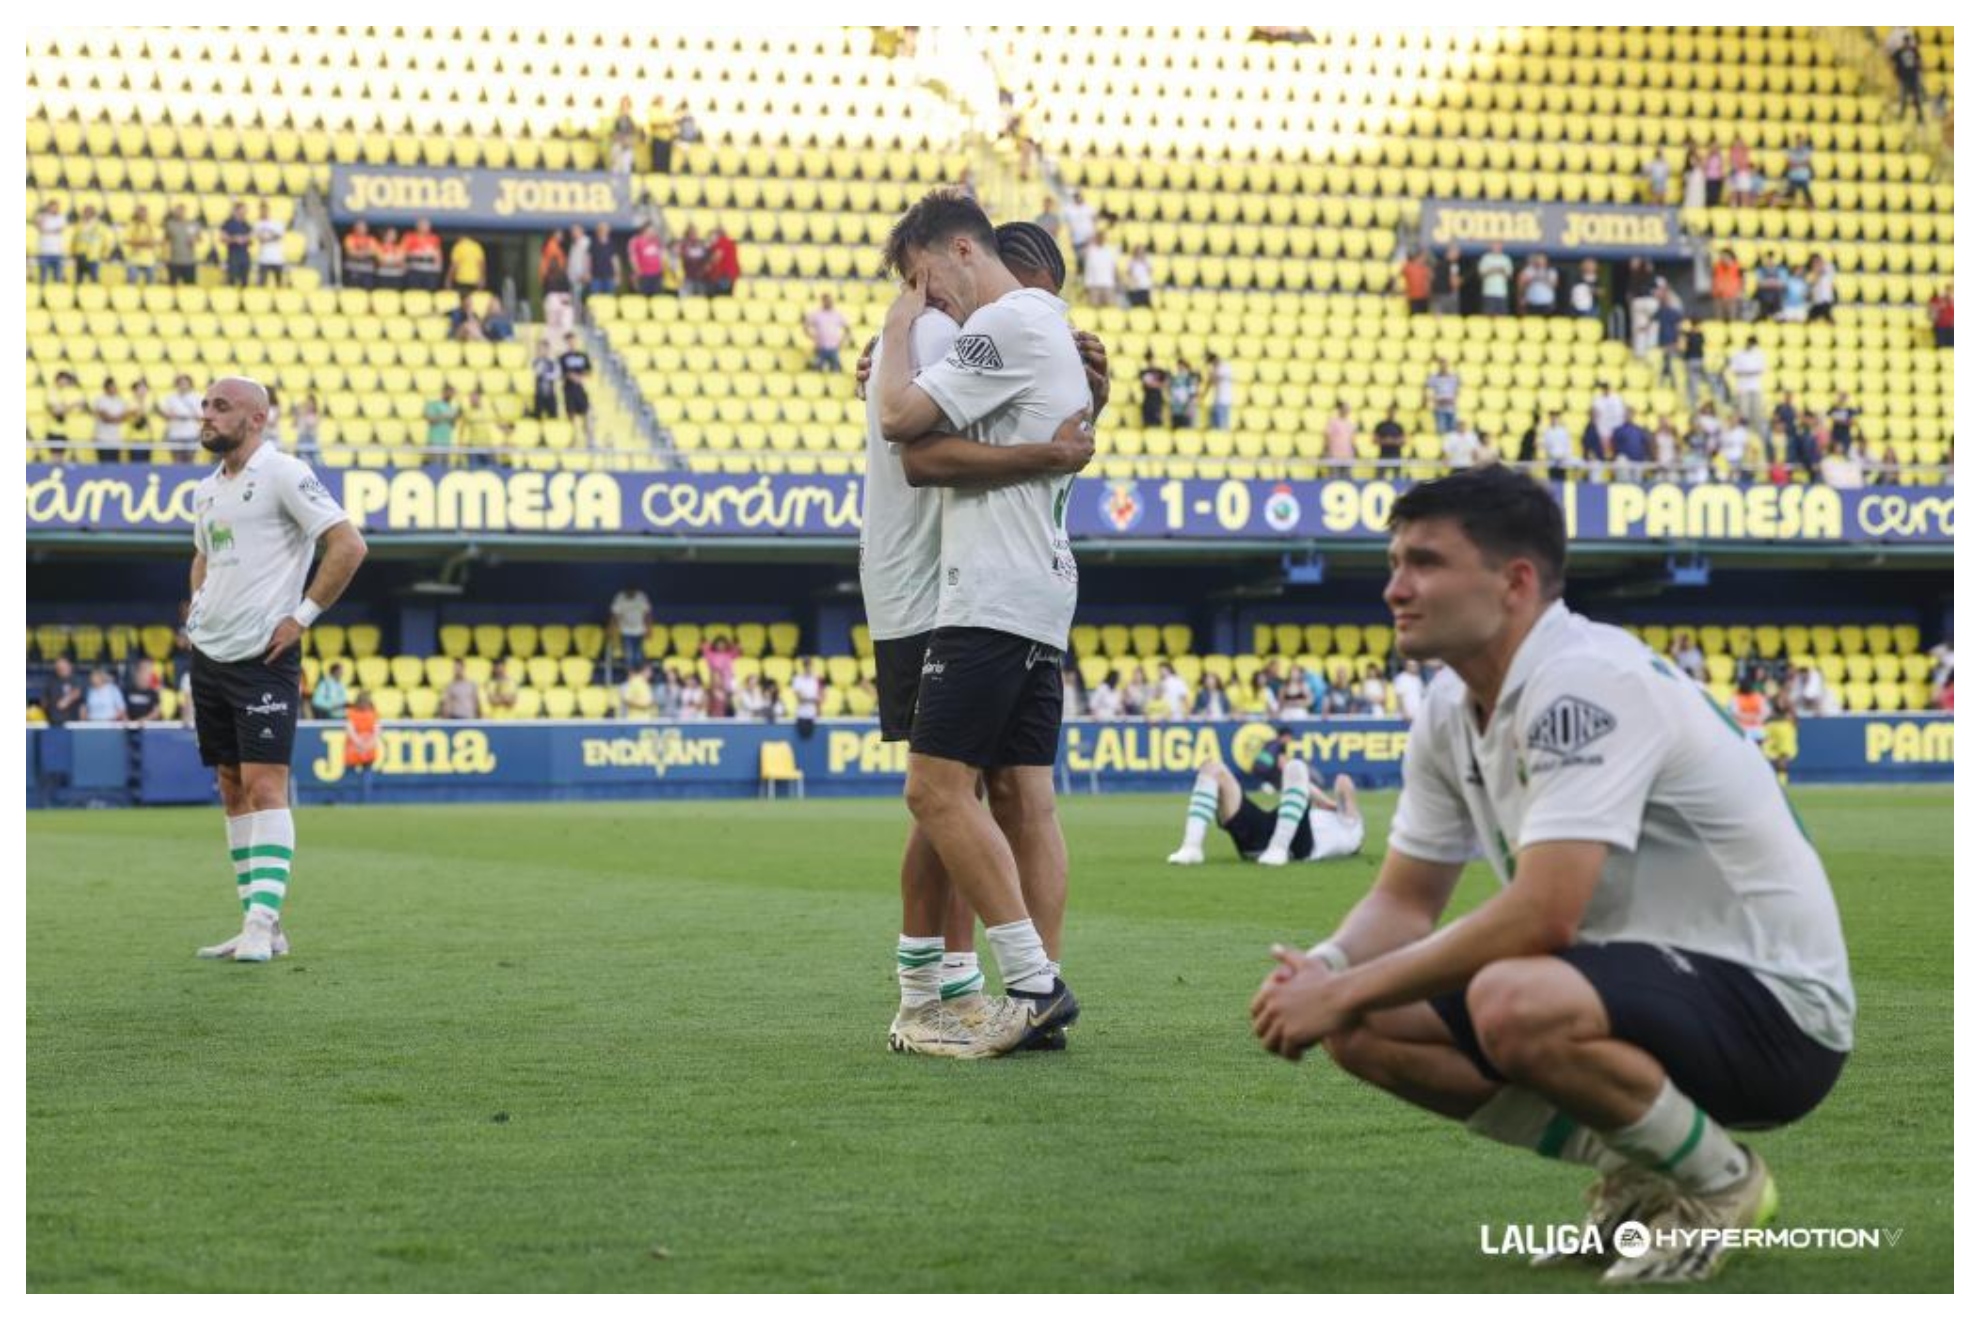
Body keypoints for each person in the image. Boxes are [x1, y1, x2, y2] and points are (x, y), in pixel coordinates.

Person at [1248, 465, 1853, 1284]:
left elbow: (1545, 916)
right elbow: (1402, 900)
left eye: (1424, 562)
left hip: (1779, 1011)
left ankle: (1721, 1184)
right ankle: (1647, 1175)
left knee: (1508, 996)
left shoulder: (1583, 681)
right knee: (1362, 1028)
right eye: (1394, 563)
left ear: (1515, 582)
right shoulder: (1446, 707)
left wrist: (1347, 985)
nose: (1396, 588)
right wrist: (1322, 973)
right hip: (1639, 984)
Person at [873, 193, 1098, 1057]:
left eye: (925, 280)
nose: (932, 301)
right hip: (1041, 591)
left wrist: (897, 337)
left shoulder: (1001, 325)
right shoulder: (1054, 335)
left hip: (988, 594)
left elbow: (907, 434)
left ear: (962, 250)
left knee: (934, 791)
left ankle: (1032, 988)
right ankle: (1020, 990)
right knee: (1019, 796)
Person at [186, 376, 368, 963]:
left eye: (221, 407)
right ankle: (259, 923)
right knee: (232, 788)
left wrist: (303, 616)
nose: (207, 415)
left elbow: (348, 544)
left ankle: (262, 927)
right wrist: (198, 612)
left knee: (267, 786)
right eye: (206, 406)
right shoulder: (208, 490)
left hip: (264, 657)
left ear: (257, 418)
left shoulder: (285, 473)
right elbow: (203, 557)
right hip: (209, 655)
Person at [1166, 753, 1364, 867]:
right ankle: (1191, 847)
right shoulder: (1331, 816)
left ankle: (1278, 849)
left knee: (1296, 766)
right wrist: (1327, 802)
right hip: (1270, 832)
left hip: (1297, 845)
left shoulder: (1352, 828)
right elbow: (1304, 786)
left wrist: (1329, 801)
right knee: (1212, 768)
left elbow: (1343, 782)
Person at [608, 584, 652, 673]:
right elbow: (614, 615)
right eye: (628, 593)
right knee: (629, 655)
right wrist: (611, 629)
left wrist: (649, 629)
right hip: (626, 631)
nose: (630, 594)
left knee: (638, 656)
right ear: (625, 592)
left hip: (639, 631)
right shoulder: (619, 597)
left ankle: (639, 677)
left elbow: (647, 614)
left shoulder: (642, 597)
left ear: (636, 592)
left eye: (632, 593)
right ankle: (631, 676)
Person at [343, 692, 380, 798]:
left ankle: (358, 797)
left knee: (362, 773)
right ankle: (358, 797)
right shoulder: (371, 714)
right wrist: (366, 744)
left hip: (357, 747)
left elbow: (350, 730)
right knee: (360, 773)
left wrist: (361, 744)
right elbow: (376, 732)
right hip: (361, 748)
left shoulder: (353, 713)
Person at [558, 335, 594, 444]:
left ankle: (590, 439)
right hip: (569, 389)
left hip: (581, 389)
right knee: (571, 414)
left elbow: (589, 370)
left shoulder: (583, 356)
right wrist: (574, 377)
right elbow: (564, 372)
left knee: (586, 413)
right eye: (569, 341)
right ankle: (573, 438)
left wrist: (581, 377)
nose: (571, 343)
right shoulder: (563, 357)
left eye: (573, 341)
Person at [804, 293, 852, 372]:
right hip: (820, 348)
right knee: (817, 370)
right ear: (823, 301)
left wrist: (842, 341)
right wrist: (813, 337)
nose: (829, 302)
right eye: (826, 300)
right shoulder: (816, 314)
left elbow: (848, 329)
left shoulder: (837, 314)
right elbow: (806, 326)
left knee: (835, 371)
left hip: (834, 348)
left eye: (830, 300)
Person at [253, 203, 289, 287]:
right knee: (262, 283)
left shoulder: (277, 223)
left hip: (277, 258)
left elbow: (278, 236)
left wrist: (268, 238)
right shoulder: (257, 224)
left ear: (268, 211)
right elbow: (261, 239)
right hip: (264, 258)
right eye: (261, 211)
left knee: (279, 283)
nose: (263, 212)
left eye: (265, 210)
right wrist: (271, 236)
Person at [219, 203, 254, 288]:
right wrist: (235, 239)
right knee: (232, 280)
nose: (245, 212)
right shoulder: (228, 223)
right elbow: (222, 238)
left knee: (244, 281)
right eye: (243, 210)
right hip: (233, 255)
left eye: (245, 210)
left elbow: (251, 239)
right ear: (237, 210)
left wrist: (245, 239)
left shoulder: (246, 224)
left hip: (245, 255)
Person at [789, 657, 823, 739]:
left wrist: (817, 707)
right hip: (801, 715)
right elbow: (800, 699)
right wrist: (813, 699)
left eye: (809, 665)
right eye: (806, 665)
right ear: (803, 666)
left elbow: (819, 698)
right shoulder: (797, 679)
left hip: (813, 716)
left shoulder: (816, 680)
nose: (808, 667)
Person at [1476, 242, 1514, 315]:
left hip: (1502, 293)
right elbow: (1480, 274)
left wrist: (1501, 271)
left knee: (1502, 317)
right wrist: (1493, 270)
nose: (1496, 248)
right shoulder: (1486, 258)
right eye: (1494, 245)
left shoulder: (1505, 259)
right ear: (1491, 247)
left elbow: (1510, 276)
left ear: (1501, 247)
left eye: (1498, 246)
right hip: (1488, 293)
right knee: (1488, 316)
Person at [124, 657, 164, 723]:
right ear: (137, 672)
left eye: (149, 672)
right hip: (129, 729)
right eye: (144, 671)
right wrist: (127, 720)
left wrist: (144, 720)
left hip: (148, 730)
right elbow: (121, 709)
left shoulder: (153, 693)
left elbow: (156, 713)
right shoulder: (127, 691)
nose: (146, 675)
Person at [341, 221, 377, 290]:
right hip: (352, 271)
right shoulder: (349, 238)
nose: (361, 229)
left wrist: (358, 253)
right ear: (355, 228)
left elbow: (373, 252)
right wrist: (365, 252)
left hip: (367, 272)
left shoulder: (371, 239)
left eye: (363, 227)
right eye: (359, 227)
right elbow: (350, 252)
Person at [1138, 352, 1169, 429]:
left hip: (1157, 399)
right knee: (1148, 421)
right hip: (1148, 399)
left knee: (1157, 420)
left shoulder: (1160, 371)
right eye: (1149, 360)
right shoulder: (1144, 372)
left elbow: (1166, 383)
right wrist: (1157, 384)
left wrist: (1155, 384)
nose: (1151, 361)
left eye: (1152, 359)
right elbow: (1146, 384)